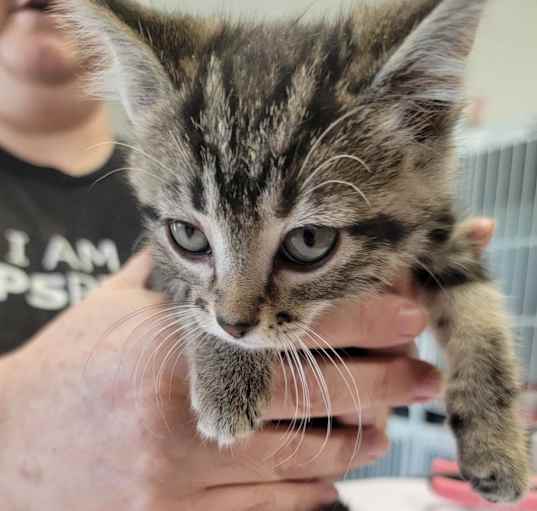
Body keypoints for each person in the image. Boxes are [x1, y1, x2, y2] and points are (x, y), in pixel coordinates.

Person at [0, 1, 491, 509]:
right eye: (192, 238)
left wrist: (353, 388)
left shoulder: (169, 164)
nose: (233, 314)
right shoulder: (169, 159)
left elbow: (440, 250)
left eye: (307, 241)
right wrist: (13, 429)